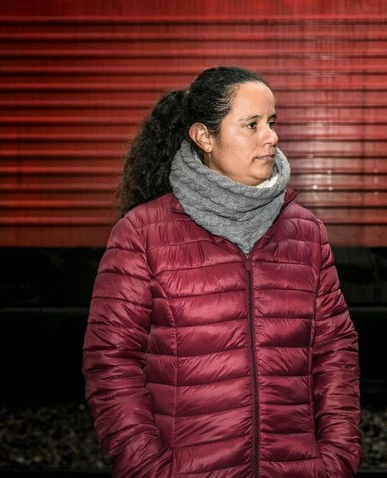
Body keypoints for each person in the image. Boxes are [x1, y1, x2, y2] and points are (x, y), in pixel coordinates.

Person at [82, 66, 362, 477]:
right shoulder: (142, 234)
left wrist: (336, 459)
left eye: (271, 122)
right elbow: (111, 362)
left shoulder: (306, 232)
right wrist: (147, 468)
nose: (271, 137)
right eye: (251, 125)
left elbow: (335, 351)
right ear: (204, 137)